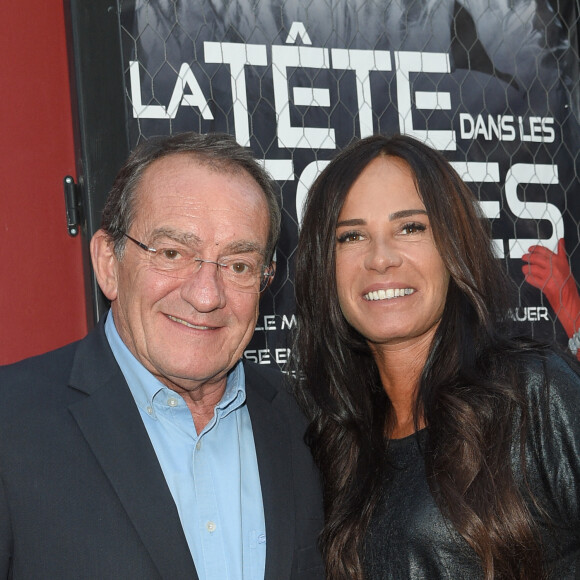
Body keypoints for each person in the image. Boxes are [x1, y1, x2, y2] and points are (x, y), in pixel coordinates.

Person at [0, 132, 323, 579]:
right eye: (172, 253)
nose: (207, 295)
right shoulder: (11, 423)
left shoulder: (306, 423)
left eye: (238, 265)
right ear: (109, 264)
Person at [293, 133, 580, 579]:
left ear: (453, 247)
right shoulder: (333, 435)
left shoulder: (533, 394)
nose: (380, 259)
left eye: (410, 227)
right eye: (351, 236)